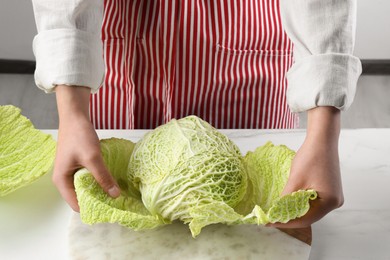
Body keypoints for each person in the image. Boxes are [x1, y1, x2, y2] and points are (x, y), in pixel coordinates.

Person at [31, 0, 362, 228]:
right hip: (122, 39)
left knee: (251, 219)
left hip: (245, 40)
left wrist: (324, 128)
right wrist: (73, 112)